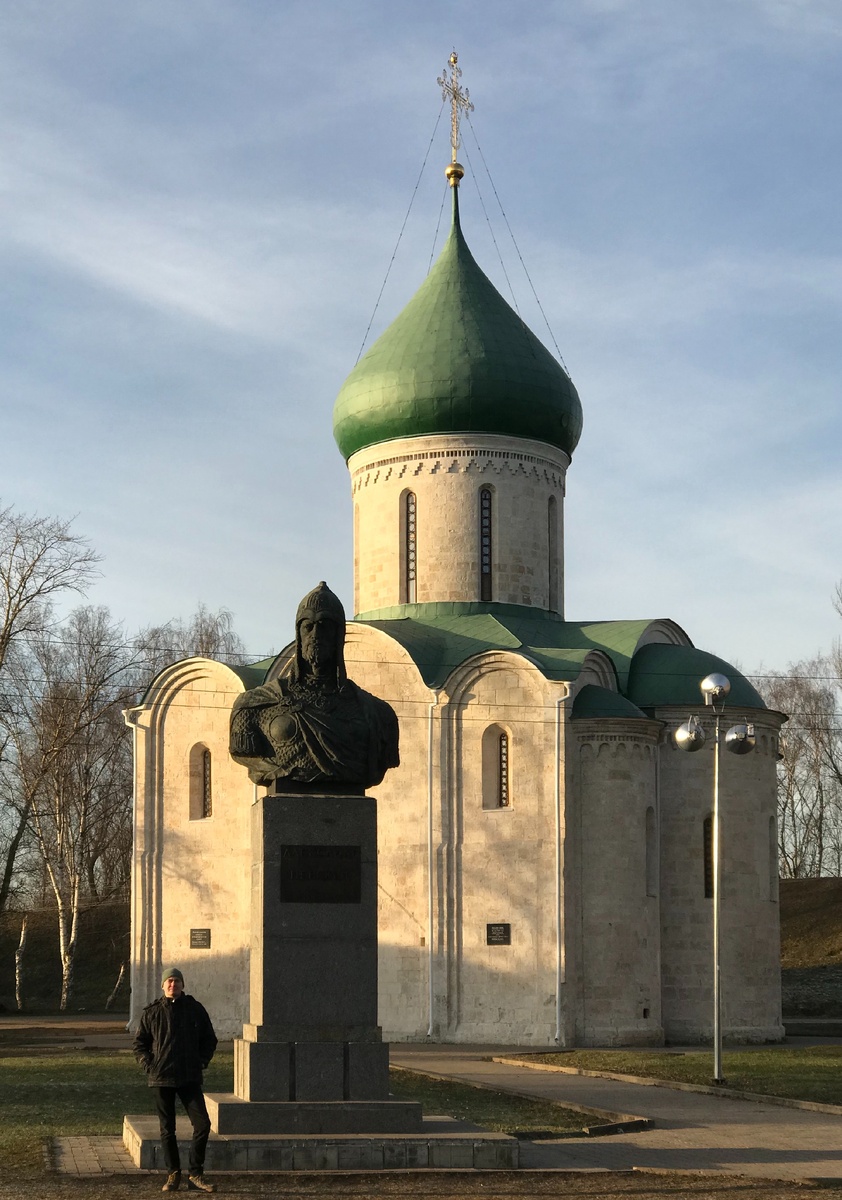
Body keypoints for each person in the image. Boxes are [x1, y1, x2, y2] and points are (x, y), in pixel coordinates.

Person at [229, 581, 399, 790]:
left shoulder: (376, 714)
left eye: (325, 626)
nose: (316, 635)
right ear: (299, 635)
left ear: (339, 636)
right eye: (308, 626)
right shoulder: (255, 706)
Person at [133, 968, 218, 1193]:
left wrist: (201, 1061)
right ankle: (173, 1175)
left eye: (177, 981)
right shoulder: (152, 1012)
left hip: (190, 1077)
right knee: (167, 1129)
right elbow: (140, 1043)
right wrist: (149, 1065)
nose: (173, 985)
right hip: (161, 1078)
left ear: (182, 984)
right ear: (163, 985)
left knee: (203, 1124)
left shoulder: (195, 1009)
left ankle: (196, 1174)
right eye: (169, 981)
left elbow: (210, 1039)